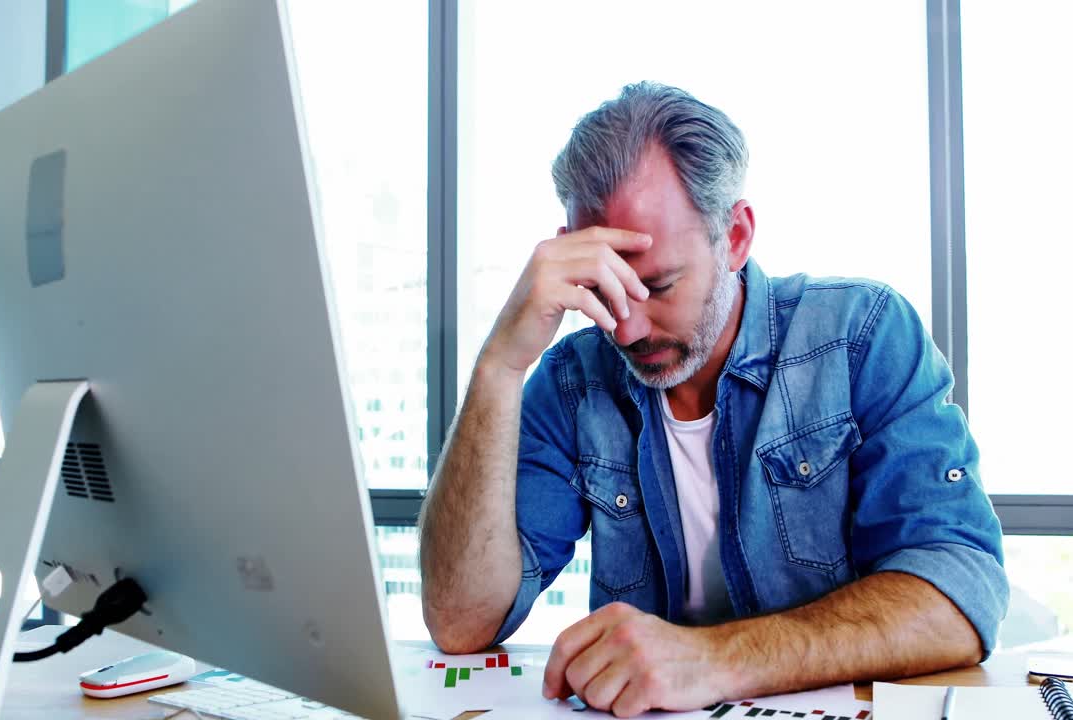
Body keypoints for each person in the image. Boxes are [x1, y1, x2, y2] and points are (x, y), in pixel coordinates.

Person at [418, 81, 1008, 718]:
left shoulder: (861, 337)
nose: (626, 329)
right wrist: (501, 366)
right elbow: (462, 622)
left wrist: (715, 660)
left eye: (657, 286)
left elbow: (960, 591)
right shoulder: (572, 381)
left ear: (736, 236)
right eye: (603, 288)